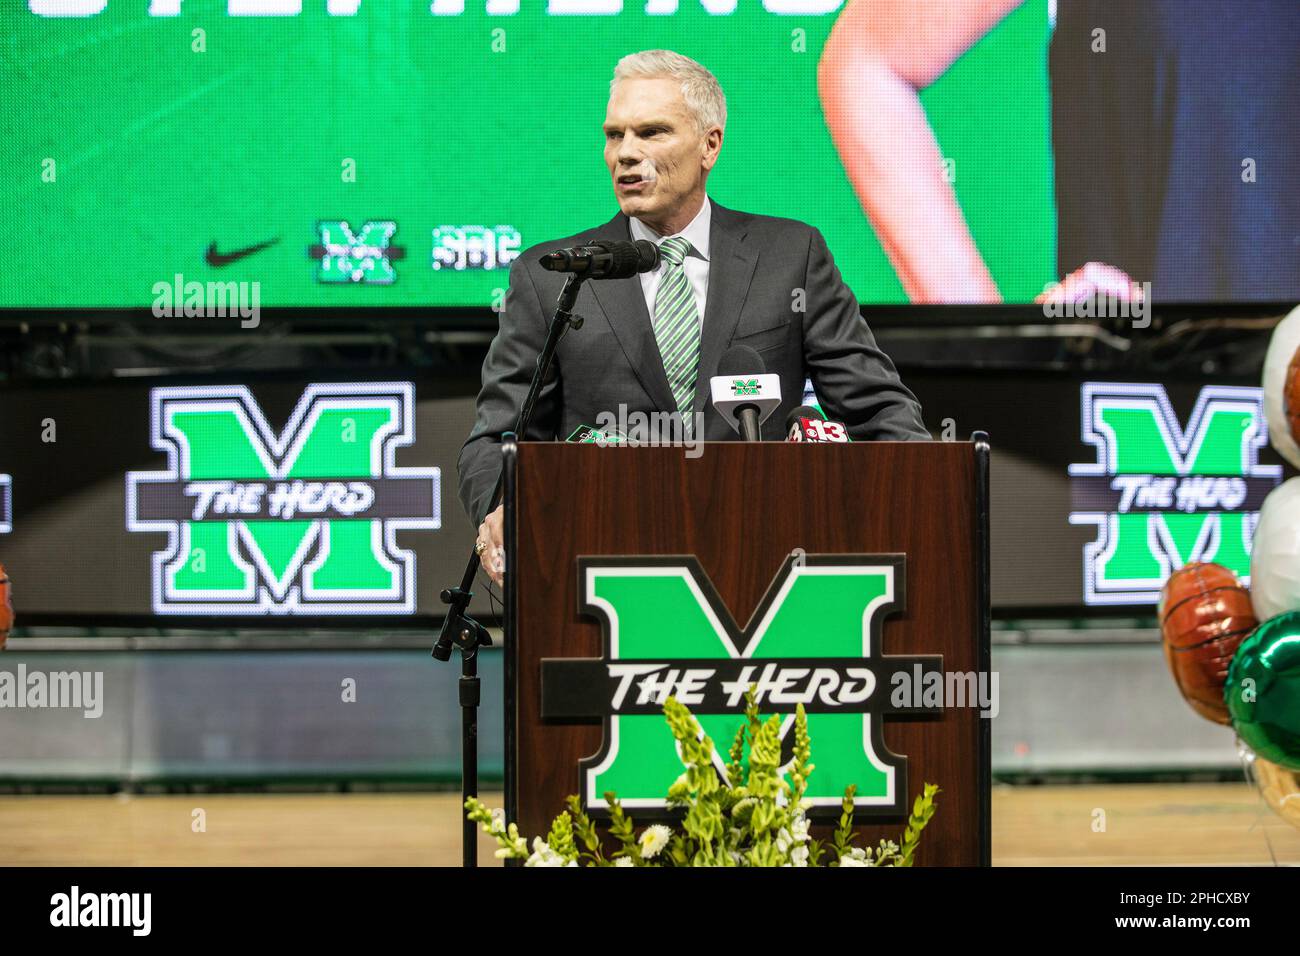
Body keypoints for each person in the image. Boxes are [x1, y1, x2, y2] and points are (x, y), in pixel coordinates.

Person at [460, 49, 929, 586]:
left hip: (766, 563)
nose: (626, 155)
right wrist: (496, 512)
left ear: (710, 144)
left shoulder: (790, 255)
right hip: (604, 569)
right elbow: (497, 439)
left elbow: (877, 408)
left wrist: (927, 500)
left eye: (652, 132)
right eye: (615, 135)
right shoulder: (553, 277)